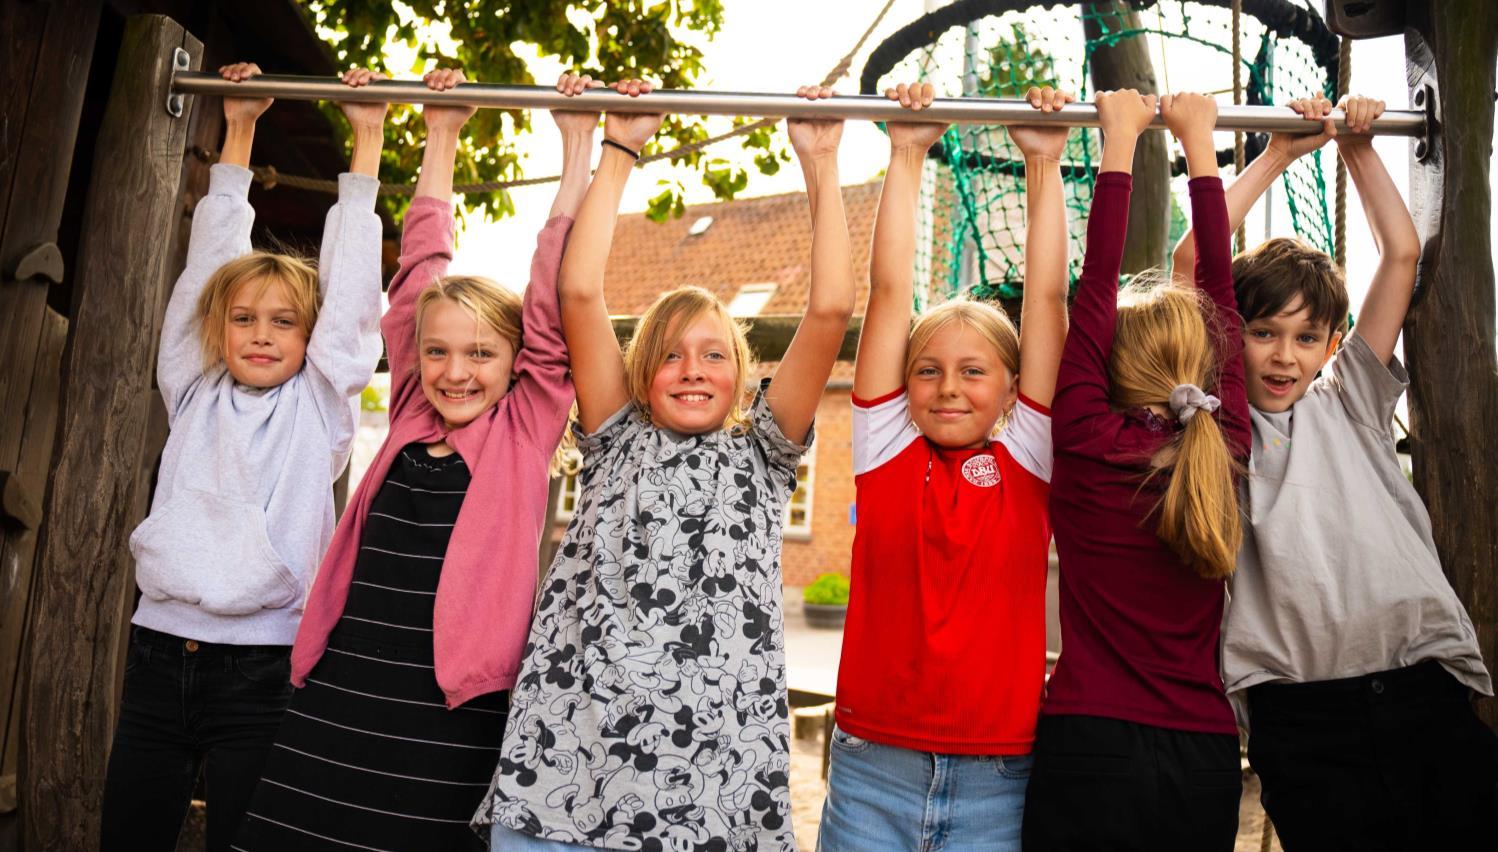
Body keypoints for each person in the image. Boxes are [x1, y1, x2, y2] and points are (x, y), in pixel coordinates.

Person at [475, 80, 854, 851]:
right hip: (572, 765)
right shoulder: (618, 436)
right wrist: (621, 146)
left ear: (742, 376)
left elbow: (829, 311)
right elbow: (579, 291)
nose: (692, 369)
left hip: (713, 783)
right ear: (643, 373)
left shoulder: (765, 452)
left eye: (714, 354)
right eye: (672, 355)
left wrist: (820, 161)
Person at [234, 70, 594, 851]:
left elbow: (553, 297)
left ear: (517, 361)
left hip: (448, 710)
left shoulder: (522, 428)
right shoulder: (409, 412)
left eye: (481, 354)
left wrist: (577, 145)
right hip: (344, 685)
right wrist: (442, 129)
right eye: (437, 352)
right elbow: (418, 274)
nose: (455, 372)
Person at [1174, 92, 1498, 851]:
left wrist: (1356, 142)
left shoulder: (1350, 398)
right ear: (1230, 333)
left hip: (1420, 687)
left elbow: (1402, 252)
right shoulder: (1222, 427)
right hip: (1302, 714)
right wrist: (1279, 154)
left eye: (1305, 337)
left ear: (1332, 343)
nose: (1284, 356)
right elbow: (1192, 263)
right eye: (1263, 332)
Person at [100, 63, 386, 852]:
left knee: (246, 841)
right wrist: (240, 128)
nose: (261, 334)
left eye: (284, 322)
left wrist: (367, 138)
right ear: (217, 329)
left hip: (261, 666)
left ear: (311, 337)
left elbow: (352, 297)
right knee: (129, 834)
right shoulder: (192, 390)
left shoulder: (319, 407)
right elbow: (207, 268)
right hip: (159, 653)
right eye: (245, 319)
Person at [815, 81, 1073, 852]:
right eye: (927, 371)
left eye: (973, 371)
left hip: (997, 773)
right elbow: (889, 291)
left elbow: (1048, 300)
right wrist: (905, 152)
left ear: (1012, 389)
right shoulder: (888, 452)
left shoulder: (1028, 458)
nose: (948, 387)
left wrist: (1043, 166)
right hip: (875, 766)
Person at [1020, 90, 1248, 851]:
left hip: (1091, 742)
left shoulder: (1086, 436)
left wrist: (1119, 140)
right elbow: (1220, 287)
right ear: (1210, 363)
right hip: (1205, 753)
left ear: (1107, 368)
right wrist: (1197, 144)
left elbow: (1094, 285)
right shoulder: (1224, 443)